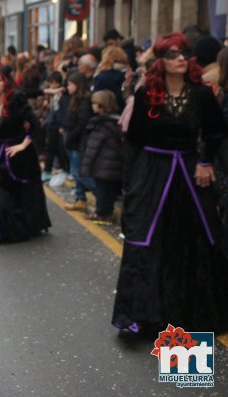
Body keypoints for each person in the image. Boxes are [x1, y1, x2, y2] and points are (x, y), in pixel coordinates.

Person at [112, 33, 228, 337]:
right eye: (172, 54)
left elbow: (216, 132)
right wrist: (129, 183)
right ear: (160, 61)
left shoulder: (201, 95)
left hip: (189, 173)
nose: (180, 59)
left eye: (183, 54)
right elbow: (134, 142)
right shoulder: (146, 94)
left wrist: (205, 162)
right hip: (152, 173)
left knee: (196, 239)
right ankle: (146, 314)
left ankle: (192, 313)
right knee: (147, 241)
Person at [0, 67, 51, 243]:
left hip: (18, 157)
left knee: (22, 194)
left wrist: (23, 145)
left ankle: (24, 226)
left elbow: (35, 125)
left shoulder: (16, 100)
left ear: (5, 83)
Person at [80, 90, 122, 224]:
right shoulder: (116, 121)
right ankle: (105, 212)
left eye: (94, 103)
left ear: (102, 105)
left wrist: (86, 165)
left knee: (102, 189)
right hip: (113, 162)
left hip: (102, 163)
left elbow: (93, 146)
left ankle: (102, 213)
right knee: (108, 189)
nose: (92, 106)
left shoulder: (100, 124)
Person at [61, 72, 94, 211]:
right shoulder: (75, 99)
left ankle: (101, 194)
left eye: (70, 84)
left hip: (78, 141)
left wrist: (70, 136)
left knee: (79, 173)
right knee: (77, 172)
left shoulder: (83, 101)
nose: (67, 87)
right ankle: (80, 199)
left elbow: (82, 123)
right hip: (72, 140)